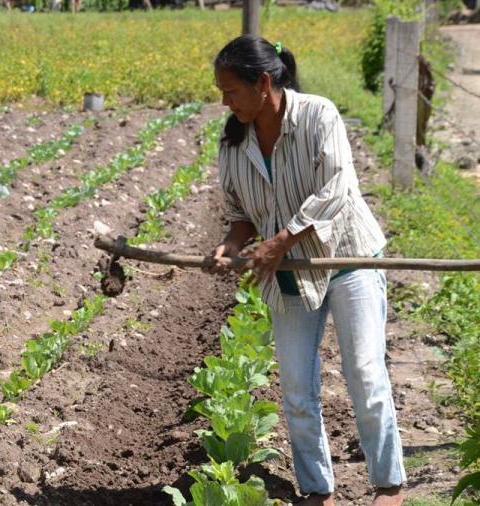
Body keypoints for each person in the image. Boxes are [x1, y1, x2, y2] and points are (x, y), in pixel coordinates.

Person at [203, 35, 406, 506]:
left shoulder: (318, 115)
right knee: (296, 388)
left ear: (263, 83)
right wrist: (230, 245)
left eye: (231, 91)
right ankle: (317, 490)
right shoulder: (233, 142)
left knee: (365, 373)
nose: (225, 102)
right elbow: (240, 214)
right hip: (289, 270)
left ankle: (389, 486)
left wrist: (280, 240)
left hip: (348, 259)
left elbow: (337, 188)